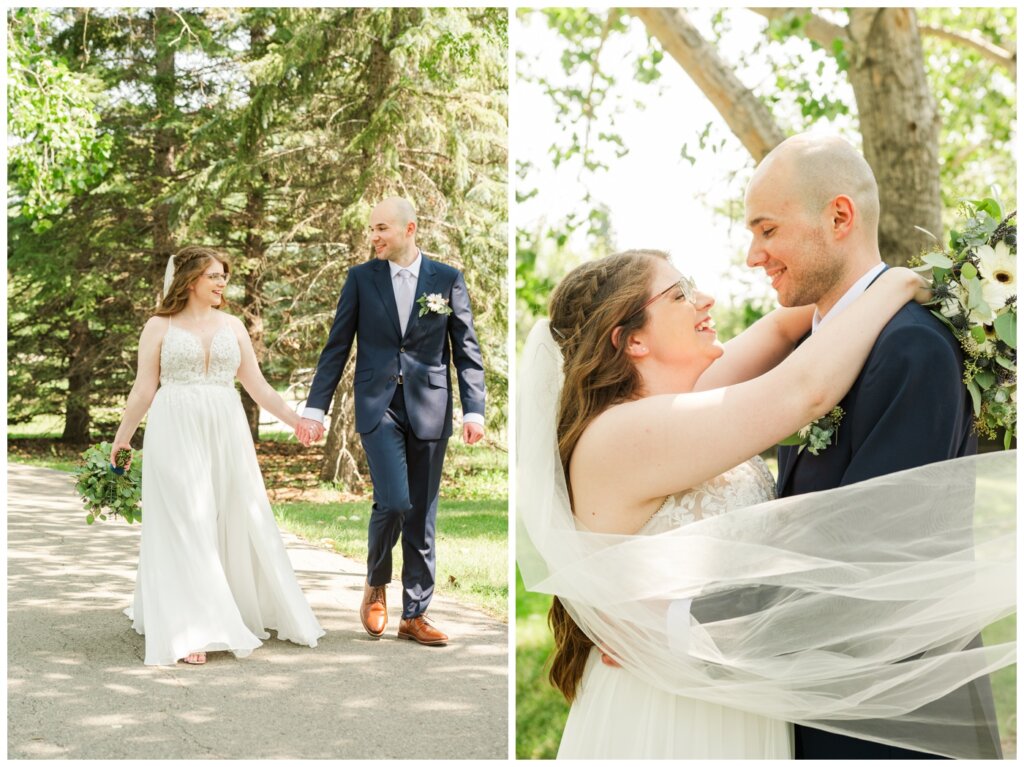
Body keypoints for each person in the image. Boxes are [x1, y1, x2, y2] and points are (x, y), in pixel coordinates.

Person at [531, 248, 932, 759]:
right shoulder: (624, 434)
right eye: (679, 294)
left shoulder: (678, 404)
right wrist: (898, 285)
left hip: (725, 690)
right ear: (632, 339)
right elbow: (806, 391)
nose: (706, 299)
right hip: (675, 713)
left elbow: (787, 327)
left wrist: (945, 273)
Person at [745, 133, 1001, 759]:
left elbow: (864, 554)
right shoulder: (816, 351)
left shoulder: (911, 345)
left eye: (767, 230)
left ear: (839, 217)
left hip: (895, 717)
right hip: (824, 698)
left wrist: (679, 620)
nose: (754, 255)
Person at [111, 245, 325, 666]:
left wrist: (295, 420)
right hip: (175, 429)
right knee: (186, 519)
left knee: (230, 515)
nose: (222, 282)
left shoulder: (233, 325)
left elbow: (257, 386)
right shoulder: (158, 326)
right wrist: (122, 440)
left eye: (224, 274)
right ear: (190, 280)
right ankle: (191, 625)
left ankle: (228, 608)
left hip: (225, 431)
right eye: (214, 275)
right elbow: (143, 390)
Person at [296, 197, 486, 646]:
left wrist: (474, 409)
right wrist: (314, 408)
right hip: (378, 405)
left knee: (422, 513)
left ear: (409, 229)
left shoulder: (447, 279)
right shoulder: (361, 279)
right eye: (371, 229)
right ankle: (376, 581)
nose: (374, 236)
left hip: (431, 407)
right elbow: (337, 346)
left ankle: (415, 614)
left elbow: (467, 350)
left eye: (381, 228)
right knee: (396, 500)